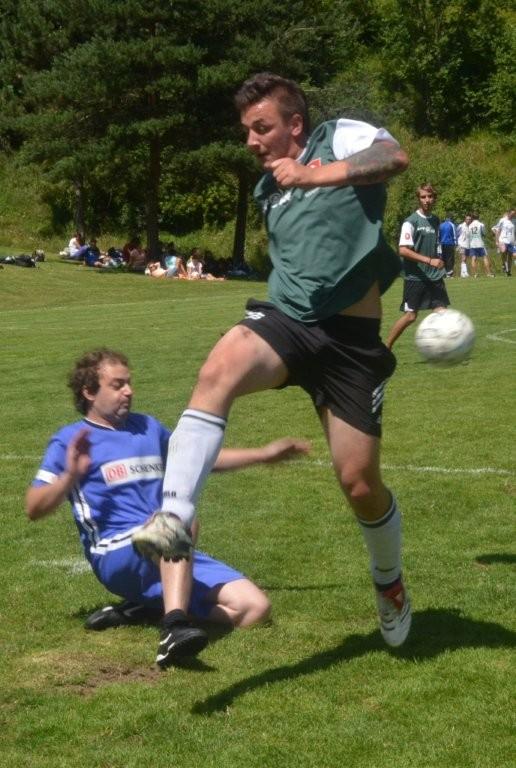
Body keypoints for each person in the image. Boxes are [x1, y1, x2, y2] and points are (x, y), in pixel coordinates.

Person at [134, 72, 413, 648]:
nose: (251, 141)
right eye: (246, 130)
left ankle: (389, 582)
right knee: (219, 369)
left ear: (295, 124)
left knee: (360, 484)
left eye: (261, 127)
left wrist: (315, 175)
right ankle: (174, 519)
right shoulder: (267, 189)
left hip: (351, 341)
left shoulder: (338, 137)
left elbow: (393, 158)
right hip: (288, 322)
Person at [26, 348, 310, 669]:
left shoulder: (147, 427)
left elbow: (198, 461)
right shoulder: (70, 440)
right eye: (117, 385)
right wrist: (69, 477)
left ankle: (148, 607)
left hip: (167, 543)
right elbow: (34, 507)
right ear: (89, 392)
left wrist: (262, 455)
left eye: (129, 383)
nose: (128, 391)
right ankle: (173, 627)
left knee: (254, 610)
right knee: (179, 520)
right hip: (116, 552)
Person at [386, 183, 449, 350]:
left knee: (442, 313)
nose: (427, 200)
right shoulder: (411, 221)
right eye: (423, 197)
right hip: (415, 277)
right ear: (418, 199)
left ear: (434, 198)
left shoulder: (435, 220)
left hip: (434, 276)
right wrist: (429, 260)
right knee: (411, 316)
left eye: (430, 196)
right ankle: (386, 347)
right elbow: (403, 250)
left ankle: (445, 350)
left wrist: (438, 259)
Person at [492, 210, 515, 277]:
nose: (513, 215)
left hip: (511, 241)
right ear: (508, 213)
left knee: (510, 256)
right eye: (512, 214)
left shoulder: (513, 221)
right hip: (503, 240)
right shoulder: (503, 220)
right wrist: (497, 241)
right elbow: (497, 230)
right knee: (504, 251)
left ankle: (508, 271)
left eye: (514, 214)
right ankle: (504, 265)